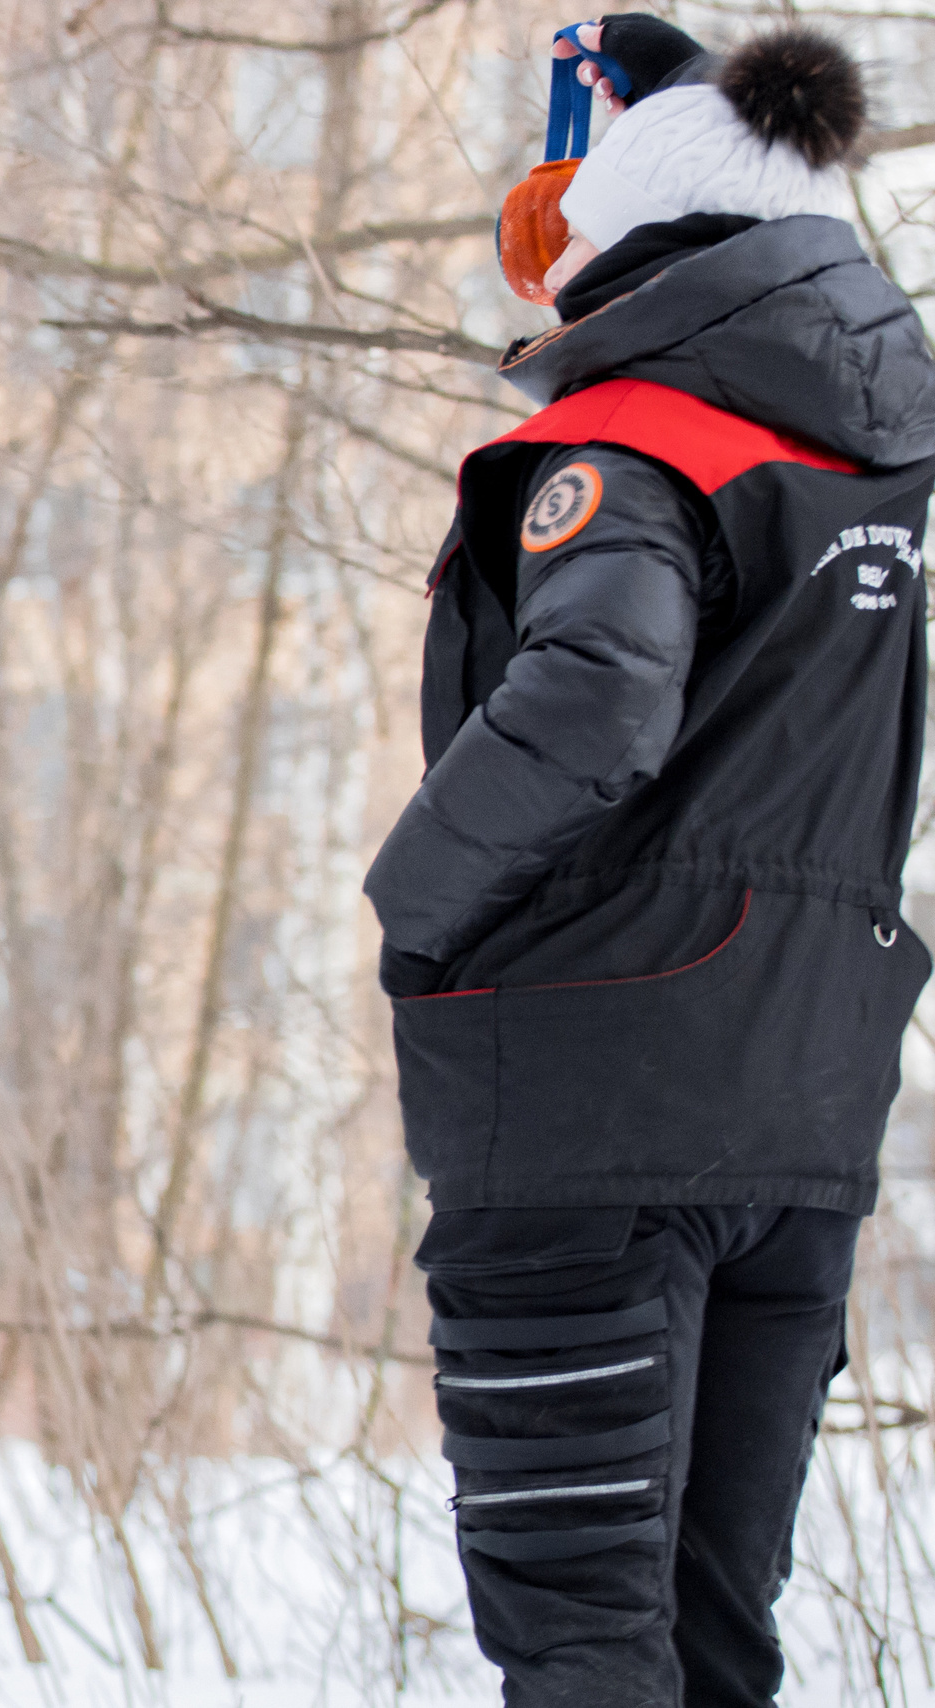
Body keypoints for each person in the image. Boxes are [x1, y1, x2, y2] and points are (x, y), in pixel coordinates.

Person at [364, 17, 935, 1704]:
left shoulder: (636, 445)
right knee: (706, 1636)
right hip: (799, 1117)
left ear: (635, 255)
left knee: (585, 1648)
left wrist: (417, 912)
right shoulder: (871, 469)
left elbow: (597, 698)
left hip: (587, 1114)